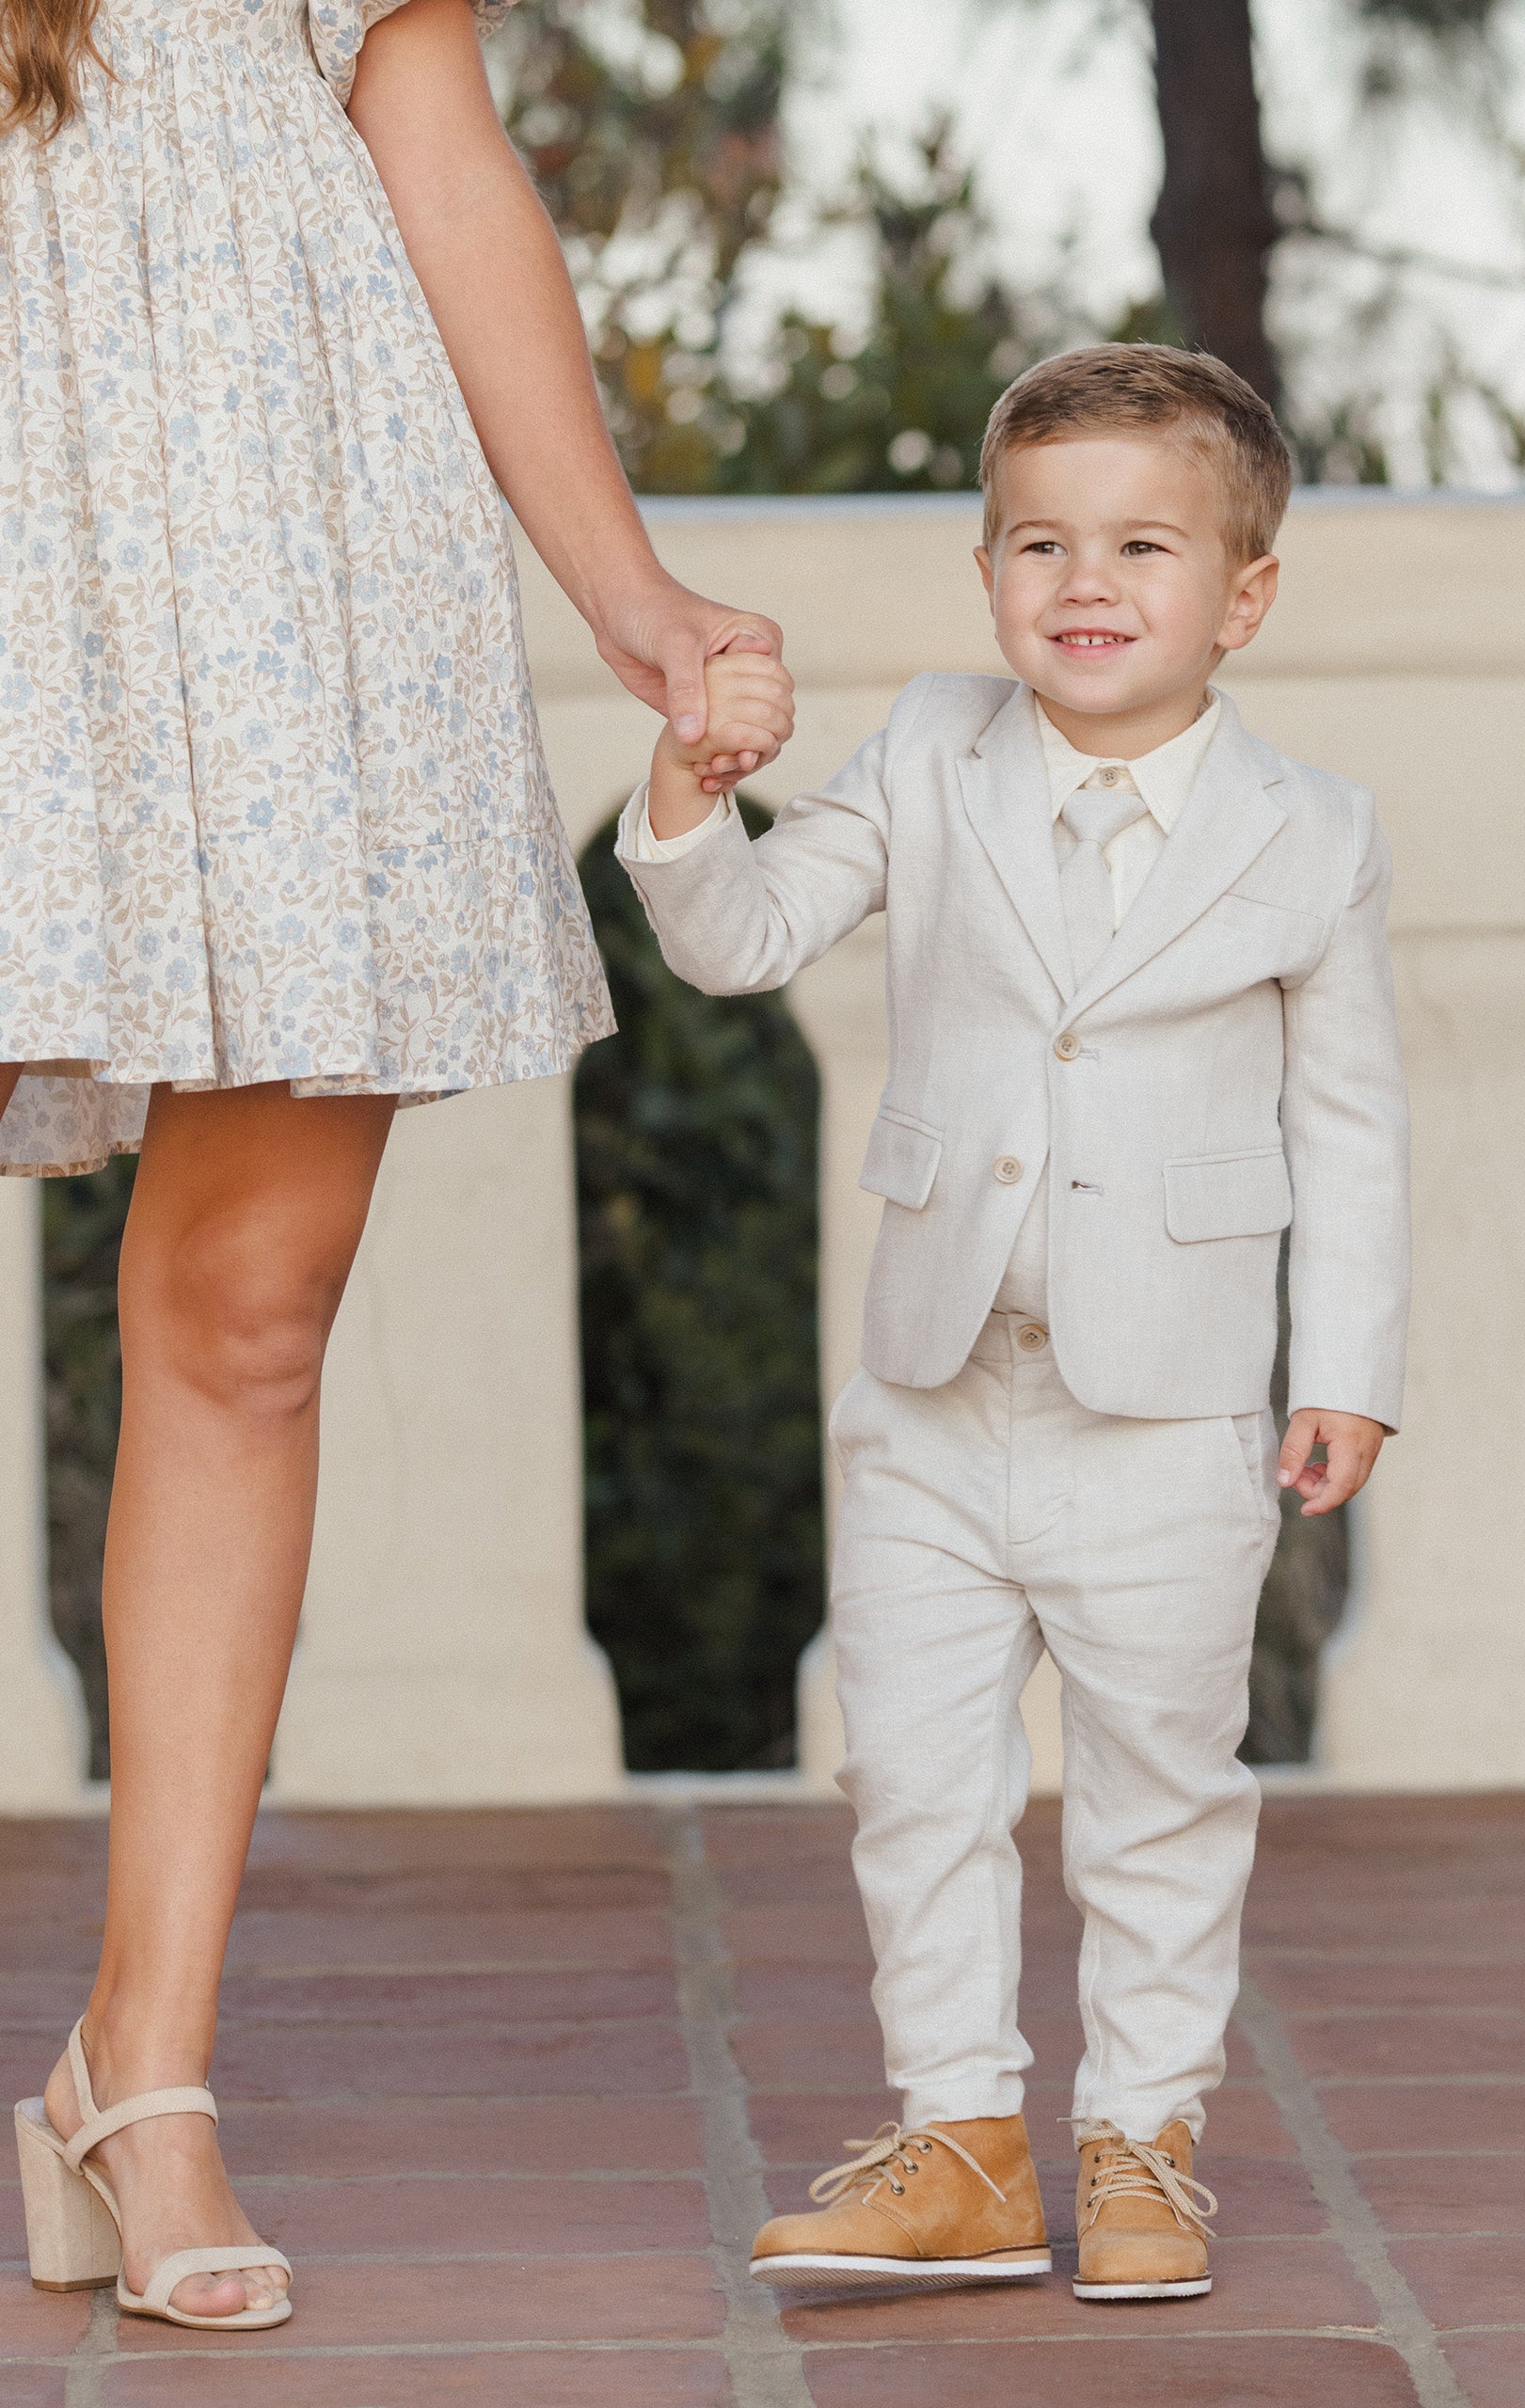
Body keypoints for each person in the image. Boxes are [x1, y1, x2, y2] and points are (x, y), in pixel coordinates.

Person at [3, 0, 792, 2334]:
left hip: (274, 497)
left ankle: (139, 2075)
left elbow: (432, 146)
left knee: (252, 1305)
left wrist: (633, 599)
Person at [619, 342, 1410, 2303]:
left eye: (1141, 543)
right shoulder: (926, 753)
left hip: (1169, 1406)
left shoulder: (1309, 830)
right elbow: (740, 940)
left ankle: (1143, 2135)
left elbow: (1354, 1124)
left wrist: (1348, 1374)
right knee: (911, 1767)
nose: (1085, 578)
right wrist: (687, 800)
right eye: (1038, 539)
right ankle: (961, 2134)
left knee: (1158, 1784)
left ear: (1243, 591)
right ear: (986, 573)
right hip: (933, 1390)